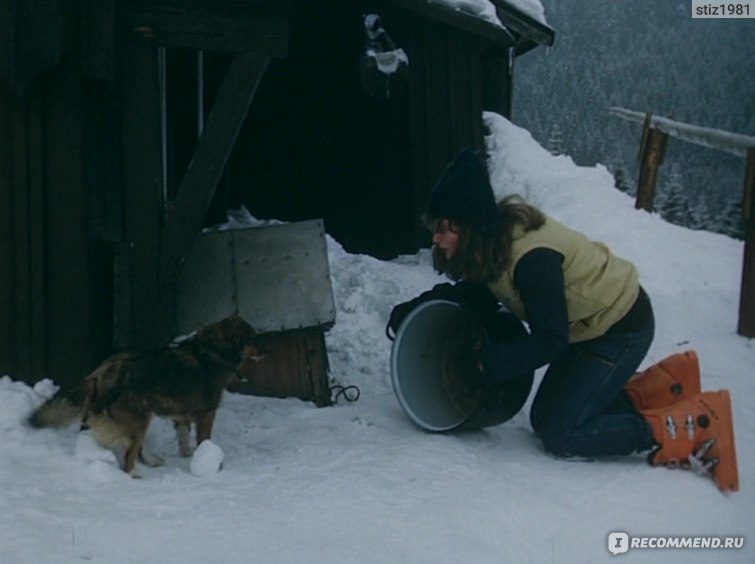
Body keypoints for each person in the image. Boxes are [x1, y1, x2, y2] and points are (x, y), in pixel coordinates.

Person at [389, 149, 738, 491]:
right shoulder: (493, 244)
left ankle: (691, 425)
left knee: (562, 434)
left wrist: (489, 364)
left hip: (621, 327)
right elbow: (475, 292)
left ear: (471, 227)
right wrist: (416, 307)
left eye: (446, 228)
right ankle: (665, 385)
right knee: (544, 418)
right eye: (436, 228)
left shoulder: (532, 261)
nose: (437, 238)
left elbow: (549, 341)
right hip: (587, 328)